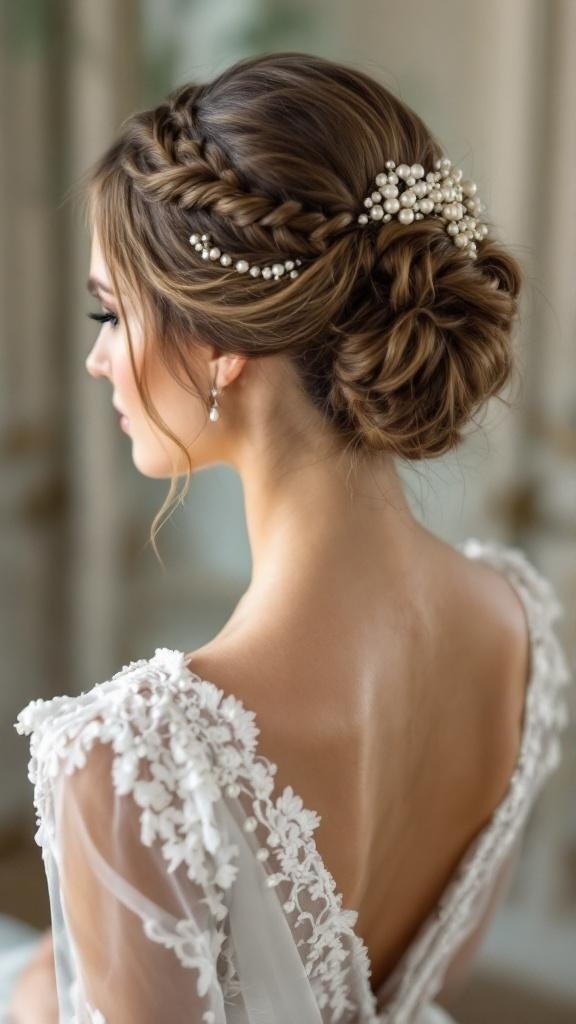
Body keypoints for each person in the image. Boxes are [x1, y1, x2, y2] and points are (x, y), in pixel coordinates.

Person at [7, 51, 573, 1024]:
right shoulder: (522, 626)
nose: (99, 359)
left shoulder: (132, 756)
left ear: (223, 344)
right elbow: (425, 982)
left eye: (112, 311)